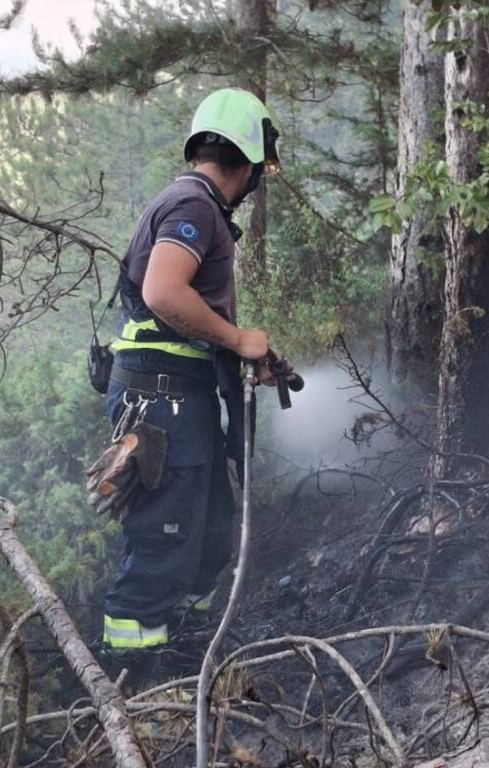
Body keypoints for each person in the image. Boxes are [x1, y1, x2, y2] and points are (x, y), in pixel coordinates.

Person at [99, 88, 281, 670]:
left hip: (180, 397)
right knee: (164, 540)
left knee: (206, 534)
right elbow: (162, 292)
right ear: (248, 162)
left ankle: (185, 659)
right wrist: (235, 339)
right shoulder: (196, 208)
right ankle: (133, 686)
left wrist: (246, 353)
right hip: (161, 401)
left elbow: (185, 311)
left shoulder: (193, 204)